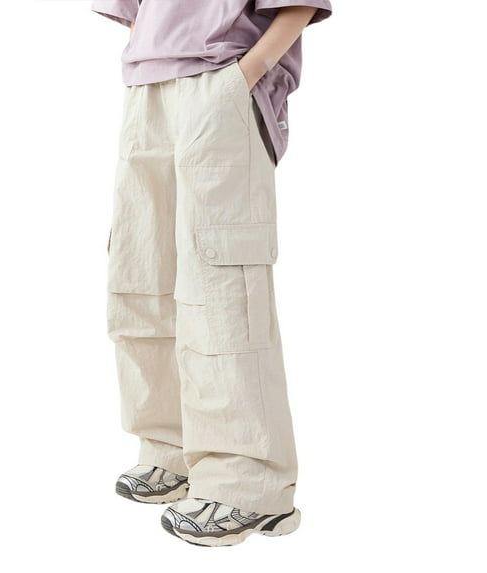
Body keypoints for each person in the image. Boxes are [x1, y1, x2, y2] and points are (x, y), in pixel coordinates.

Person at [91, 0, 333, 547]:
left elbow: (298, 6)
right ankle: (172, 448)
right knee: (143, 270)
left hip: (220, 77)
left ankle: (249, 484)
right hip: (146, 85)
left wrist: (241, 77)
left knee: (222, 283)